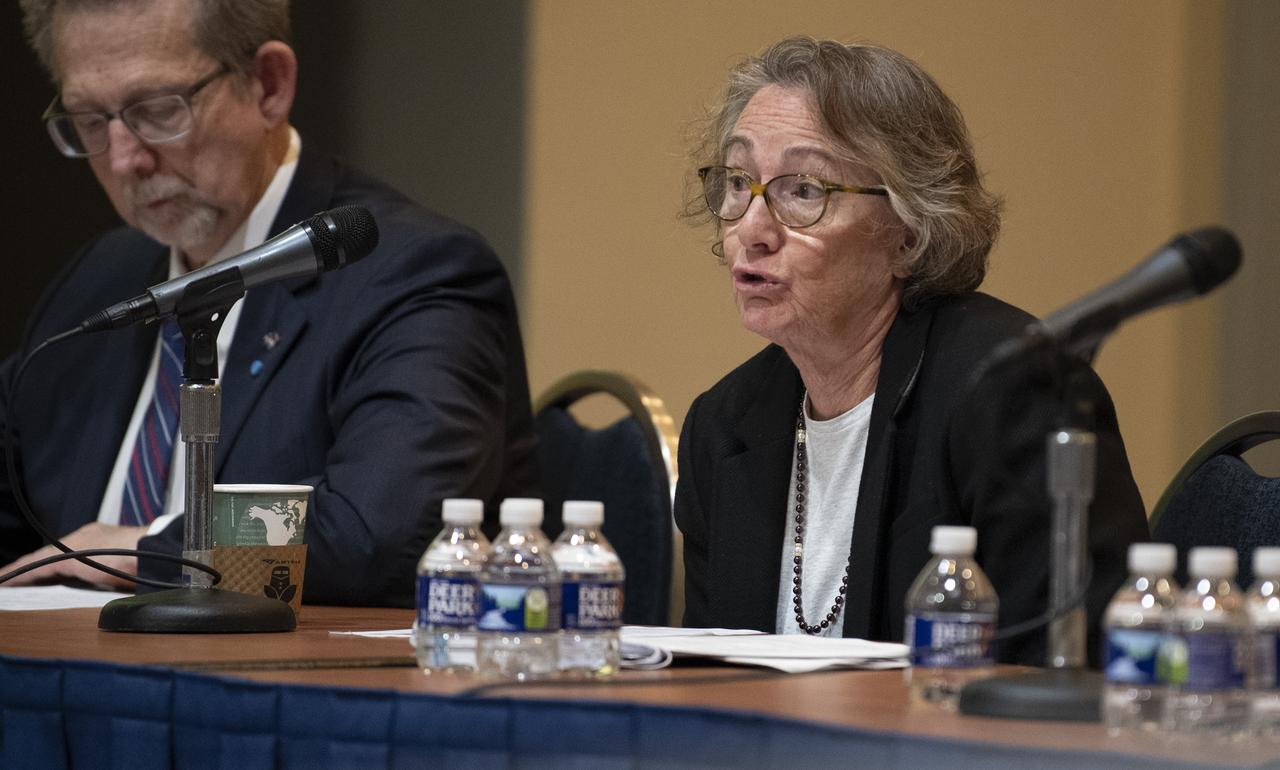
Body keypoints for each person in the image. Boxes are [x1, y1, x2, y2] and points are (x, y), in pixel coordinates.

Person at [0, 0, 538, 607]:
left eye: (157, 111)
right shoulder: (100, 280)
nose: (126, 158)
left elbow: (376, 535)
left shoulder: (413, 273)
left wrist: (145, 549)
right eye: (91, 120)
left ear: (270, 85)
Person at [674, 36, 1148, 664]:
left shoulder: (1009, 394)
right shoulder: (725, 424)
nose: (751, 231)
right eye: (740, 182)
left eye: (804, 191)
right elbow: (709, 685)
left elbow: (1071, 665)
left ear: (909, 232)